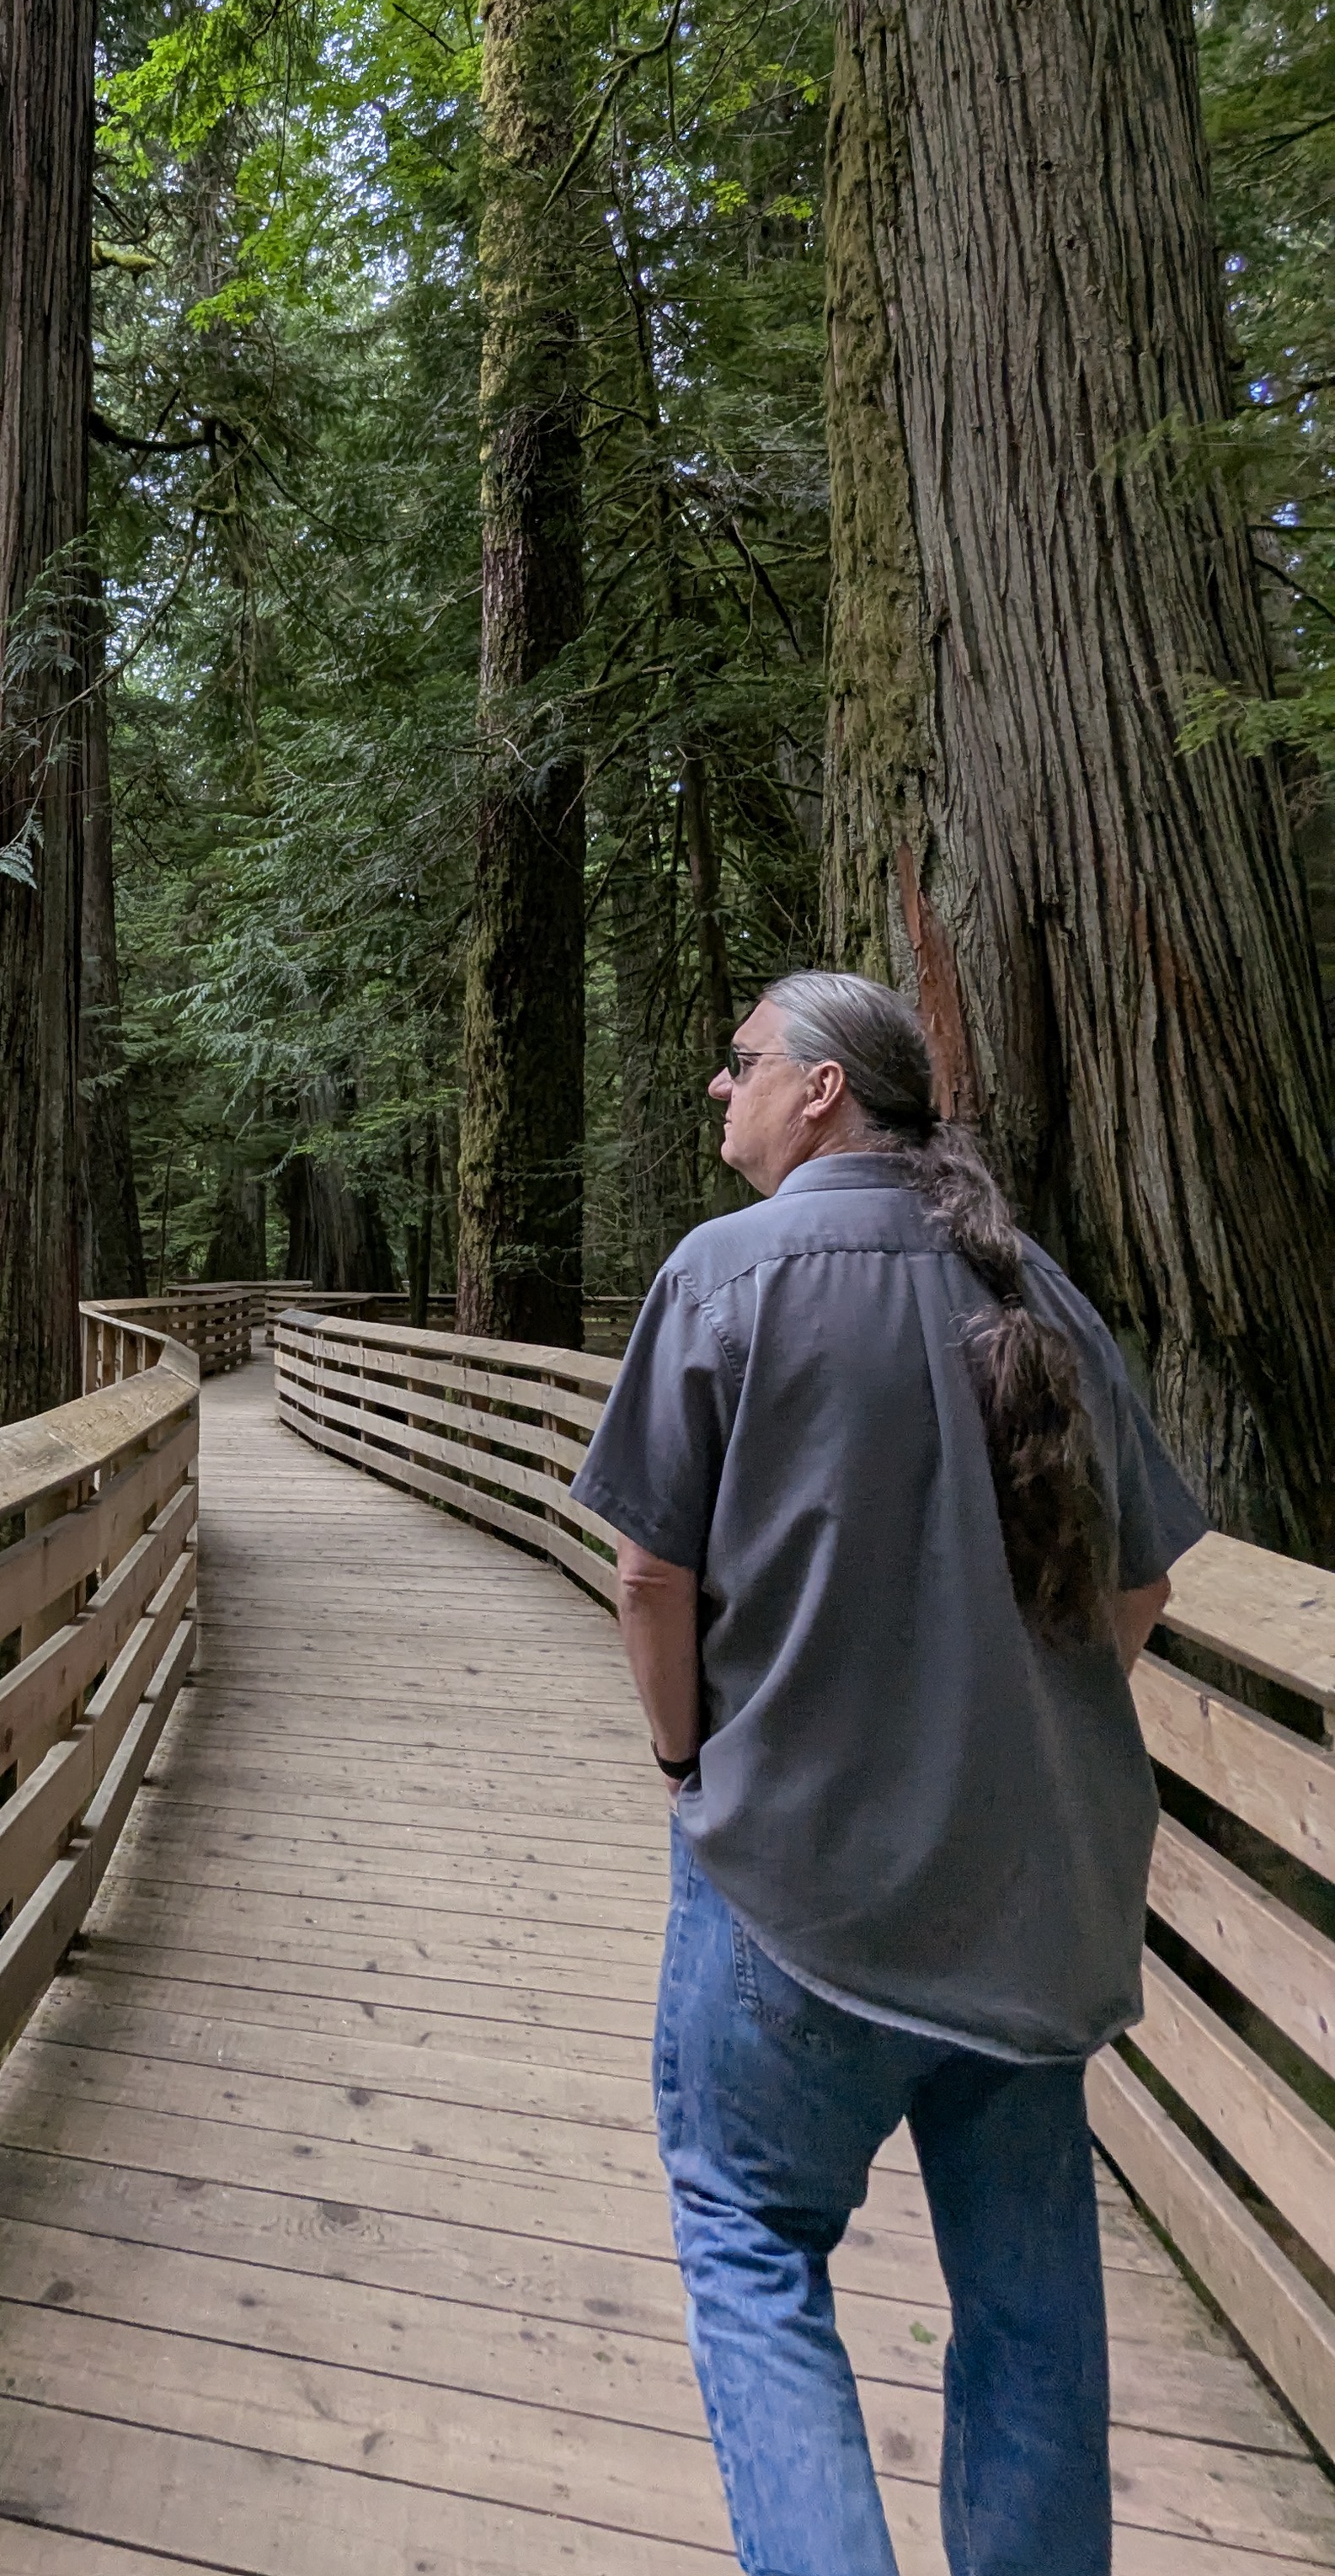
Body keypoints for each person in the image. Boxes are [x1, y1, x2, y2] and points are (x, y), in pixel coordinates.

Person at [569, 969, 1209, 2576]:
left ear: (827, 1090)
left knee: (753, 2249)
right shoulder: (1038, 1293)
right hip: (1029, 1909)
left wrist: (680, 1753)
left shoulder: (726, 1278)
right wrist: (1012, 1720)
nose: (720, 1090)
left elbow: (652, 1578)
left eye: (740, 1064)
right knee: (1030, 2311)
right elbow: (1139, 1587)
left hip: (792, 1887)